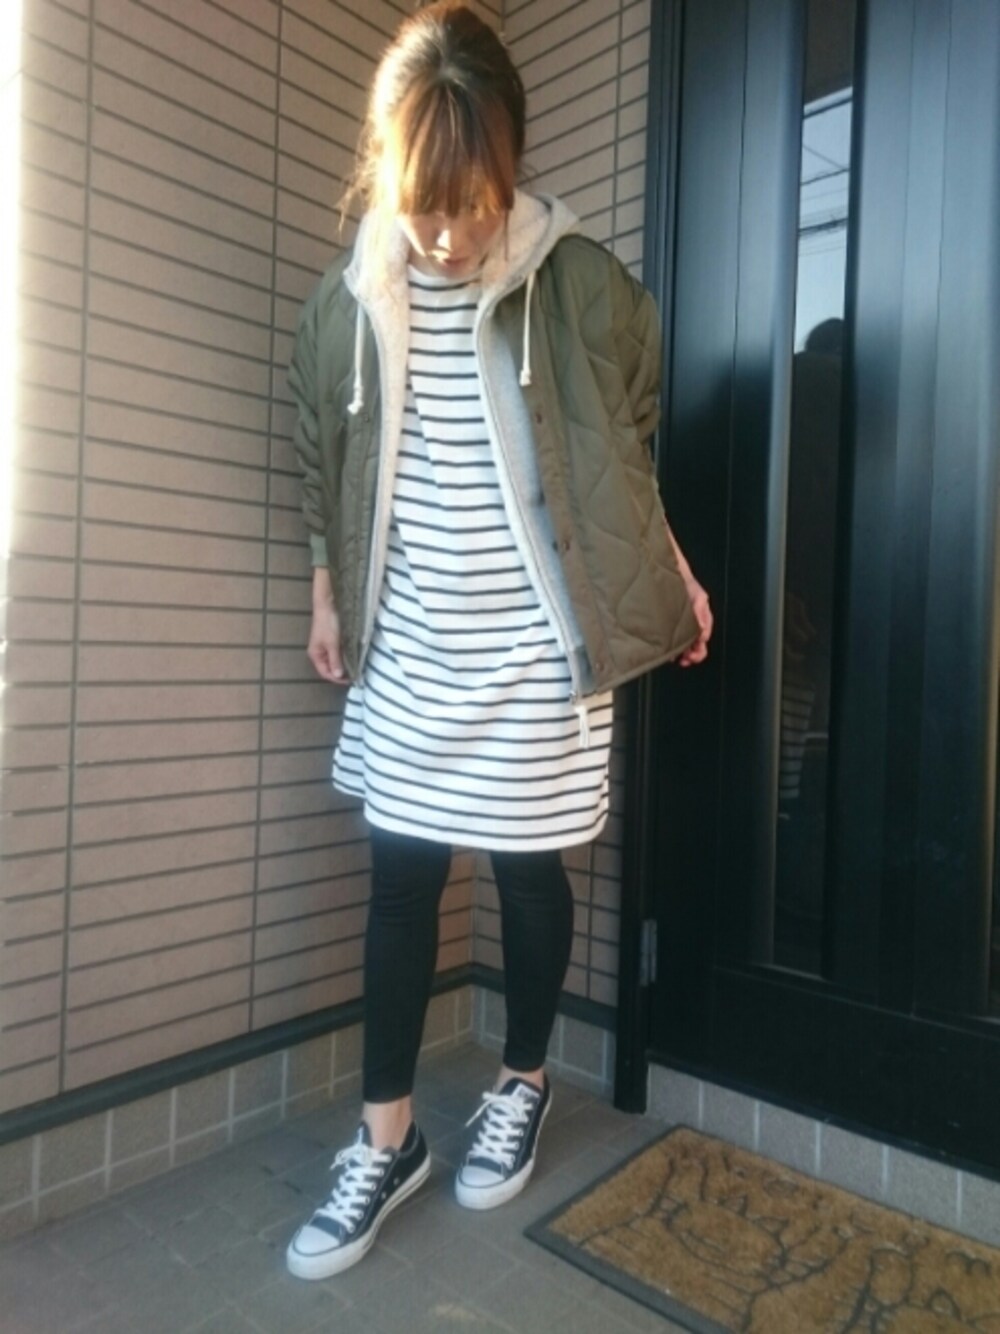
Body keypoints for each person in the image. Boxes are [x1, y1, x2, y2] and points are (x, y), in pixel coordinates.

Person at [284, 1, 713, 1282]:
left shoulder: (577, 279)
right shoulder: (348, 299)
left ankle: (521, 1079)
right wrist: (325, 585)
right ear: (390, 171)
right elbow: (322, 449)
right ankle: (388, 1138)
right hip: (414, 636)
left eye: (472, 205)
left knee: (530, 869)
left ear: (510, 164)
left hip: (537, 642)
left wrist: (666, 568)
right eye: (426, 205)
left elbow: (620, 443)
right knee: (399, 876)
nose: (449, 235)